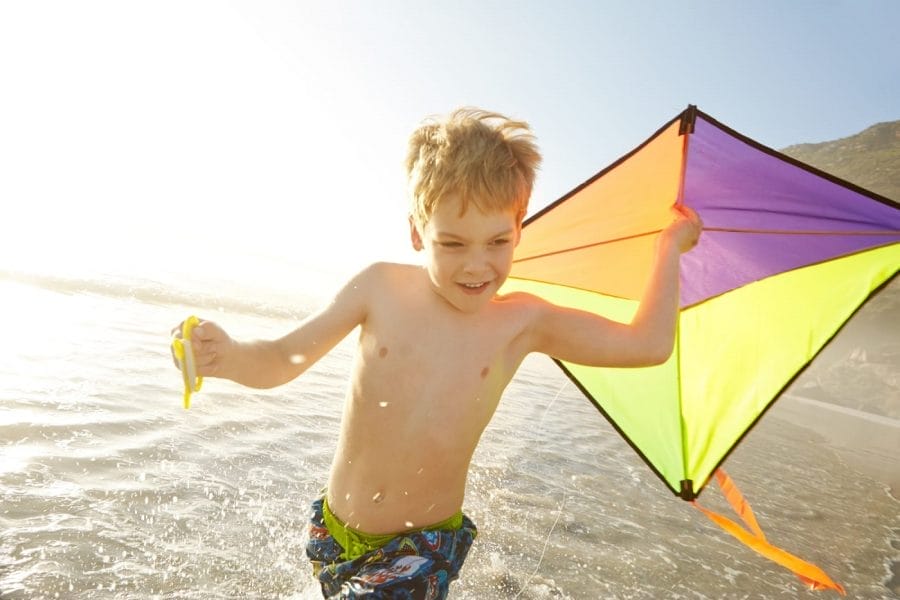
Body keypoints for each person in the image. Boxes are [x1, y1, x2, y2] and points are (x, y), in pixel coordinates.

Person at [171, 107, 702, 599]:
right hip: (332, 531)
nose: (477, 266)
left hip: (421, 551)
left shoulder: (523, 322)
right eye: (453, 244)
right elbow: (282, 359)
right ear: (416, 231)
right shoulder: (379, 288)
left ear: (519, 229)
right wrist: (227, 357)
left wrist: (669, 249)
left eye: (498, 242)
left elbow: (648, 345)